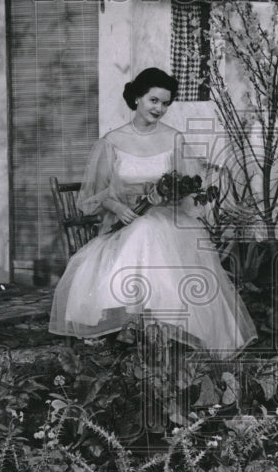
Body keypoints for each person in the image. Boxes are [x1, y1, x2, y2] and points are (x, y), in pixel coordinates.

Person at [49, 67, 257, 356]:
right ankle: (137, 321)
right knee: (142, 231)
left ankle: (142, 324)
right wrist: (119, 206)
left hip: (165, 223)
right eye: (154, 100)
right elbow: (95, 195)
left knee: (149, 230)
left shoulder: (174, 139)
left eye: (166, 103)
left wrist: (169, 195)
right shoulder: (112, 141)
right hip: (122, 226)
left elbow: (189, 194)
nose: (160, 109)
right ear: (137, 98)